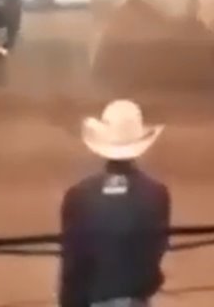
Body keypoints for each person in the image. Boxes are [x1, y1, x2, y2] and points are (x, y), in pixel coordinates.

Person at [59, 100, 170, 307]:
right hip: (135, 299)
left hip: (92, 298)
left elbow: (71, 266)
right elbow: (155, 253)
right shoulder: (156, 193)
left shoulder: (79, 195)